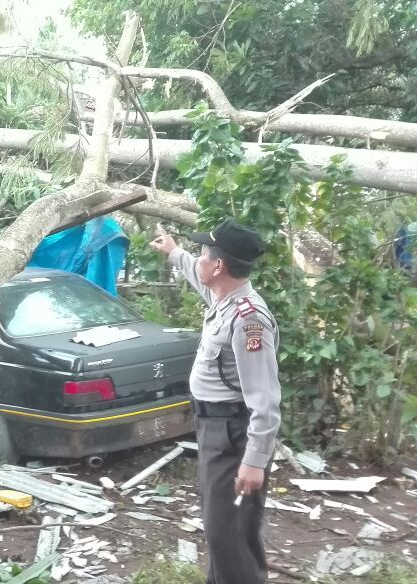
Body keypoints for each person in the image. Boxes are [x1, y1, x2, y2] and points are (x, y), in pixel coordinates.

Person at [150, 218, 281, 584]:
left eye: (203, 253)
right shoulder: (224, 297)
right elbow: (196, 273)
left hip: (233, 435)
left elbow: (265, 399)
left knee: (231, 532)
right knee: (220, 527)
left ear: (219, 265)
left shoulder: (248, 320)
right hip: (213, 430)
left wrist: (255, 461)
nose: (199, 259)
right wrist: (174, 252)